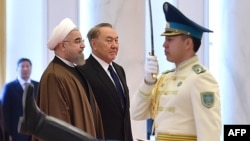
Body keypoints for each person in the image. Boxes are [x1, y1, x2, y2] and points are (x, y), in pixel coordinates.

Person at [131, 2, 221, 141]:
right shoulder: (166, 78)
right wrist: (149, 82)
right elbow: (136, 113)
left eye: (170, 39)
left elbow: (209, 134)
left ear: (187, 44)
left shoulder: (201, 79)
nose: (164, 44)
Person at [33, 18, 104, 141]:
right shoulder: (54, 76)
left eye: (81, 40)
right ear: (63, 46)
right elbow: (58, 128)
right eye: (77, 41)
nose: (83, 45)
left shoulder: (74, 70)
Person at [80, 23, 133, 141]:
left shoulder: (119, 70)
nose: (115, 46)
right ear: (94, 44)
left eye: (116, 40)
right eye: (109, 41)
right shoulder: (83, 71)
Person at [0, 58, 39, 141]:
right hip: (16, 132)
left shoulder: (38, 86)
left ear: (31, 69)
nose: (25, 69)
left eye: (27, 66)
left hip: (35, 132)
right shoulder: (9, 87)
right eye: (22, 66)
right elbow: (4, 112)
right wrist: (8, 133)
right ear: (17, 69)